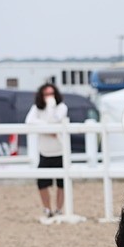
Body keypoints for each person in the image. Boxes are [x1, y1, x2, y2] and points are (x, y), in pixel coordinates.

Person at [25, 82, 69, 219]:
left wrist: (51, 109)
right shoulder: (36, 108)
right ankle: (47, 209)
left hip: (60, 151)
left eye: (51, 93)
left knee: (62, 183)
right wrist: (47, 129)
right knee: (42, 182)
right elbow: (29, 121)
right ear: (41, 95)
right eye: (46, 94)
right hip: (45, 151)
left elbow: (55, 120)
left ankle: (59, 209)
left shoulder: (62, 107)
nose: (49, 97)